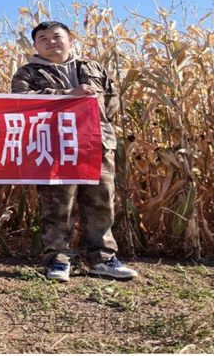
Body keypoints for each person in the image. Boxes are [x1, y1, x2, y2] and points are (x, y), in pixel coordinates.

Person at [11, 21, 138, 282]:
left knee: (101, 203)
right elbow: (21, 101)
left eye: (56, 36)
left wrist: (97, 125)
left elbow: (111, 102)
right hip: (55, 147)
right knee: (58, 206)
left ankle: (102, 259)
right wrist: (67, 94)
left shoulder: (93, 68)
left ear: (70, 39)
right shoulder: (27, 73)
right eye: (43, 38)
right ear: (35, 45)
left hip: (96, 145)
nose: (51, 42)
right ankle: (58, 260)